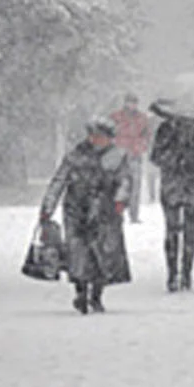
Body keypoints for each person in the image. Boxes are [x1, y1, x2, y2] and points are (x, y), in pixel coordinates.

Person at [40, 118, 132, 313]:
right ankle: (81, 292)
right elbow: (59, 181)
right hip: (76, 211)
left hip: (105, 213)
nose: (97, 139)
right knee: (78, 253)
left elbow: (124, 181)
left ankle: (97, 295)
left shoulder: (117, 157)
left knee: (103, 254)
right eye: (94, 135)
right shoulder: (75, 157)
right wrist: (47, 208)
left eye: (101, 136)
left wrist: (119, 201)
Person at [150, 107, 194, 292]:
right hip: (176, 185)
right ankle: (174, 273)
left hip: (186, 186)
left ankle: (183, 273)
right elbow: (155, 157)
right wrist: (175, 159)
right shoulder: (167, 130)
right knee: (175, 231)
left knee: (188, 231)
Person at [110, 93, 153, 223]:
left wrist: (141, 146)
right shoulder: (116, 117)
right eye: (129, 102)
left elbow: (147, 135)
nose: (132, 105)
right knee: (119, 186)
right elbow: (109, 133)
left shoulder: (142, 118)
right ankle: (117, 213)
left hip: (135, 155)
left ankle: (133, 215)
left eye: (134, 102)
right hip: (119, 155)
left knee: (135, 187)